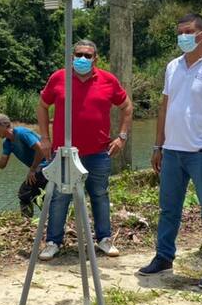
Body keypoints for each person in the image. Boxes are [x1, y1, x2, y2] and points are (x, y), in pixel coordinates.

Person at [138, 13, 202, 290]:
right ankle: (164, 256)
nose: (183, 36)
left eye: (188, 31)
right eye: (180, 32)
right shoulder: (173, 66)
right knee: (168, 209)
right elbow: (164, 106)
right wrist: (158, 145)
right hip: (172, 151)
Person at [36, 39, 133, 261]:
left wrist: (122, 137)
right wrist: (44, 138)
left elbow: (127, 107)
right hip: (65, 152)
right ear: (72, 56)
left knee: (99, 194)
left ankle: (104, 239)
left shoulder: (108, 80)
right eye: (78, 54)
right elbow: (42, 105)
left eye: (87, 55)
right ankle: (53, 241)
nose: (82, 59)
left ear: (95, 58)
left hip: (98, 152)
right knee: (60, 196)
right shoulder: (59, 78)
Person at [0, 113, 48, 217]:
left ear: (5, 125)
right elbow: (2, 164)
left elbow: (41, 150)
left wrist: (32, 170)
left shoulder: (22, 133)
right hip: (39, 168)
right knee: (35, 194)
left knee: (24, 192)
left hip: (48, 164)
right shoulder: (7, 143)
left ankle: (27, 222)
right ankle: (50, 217)